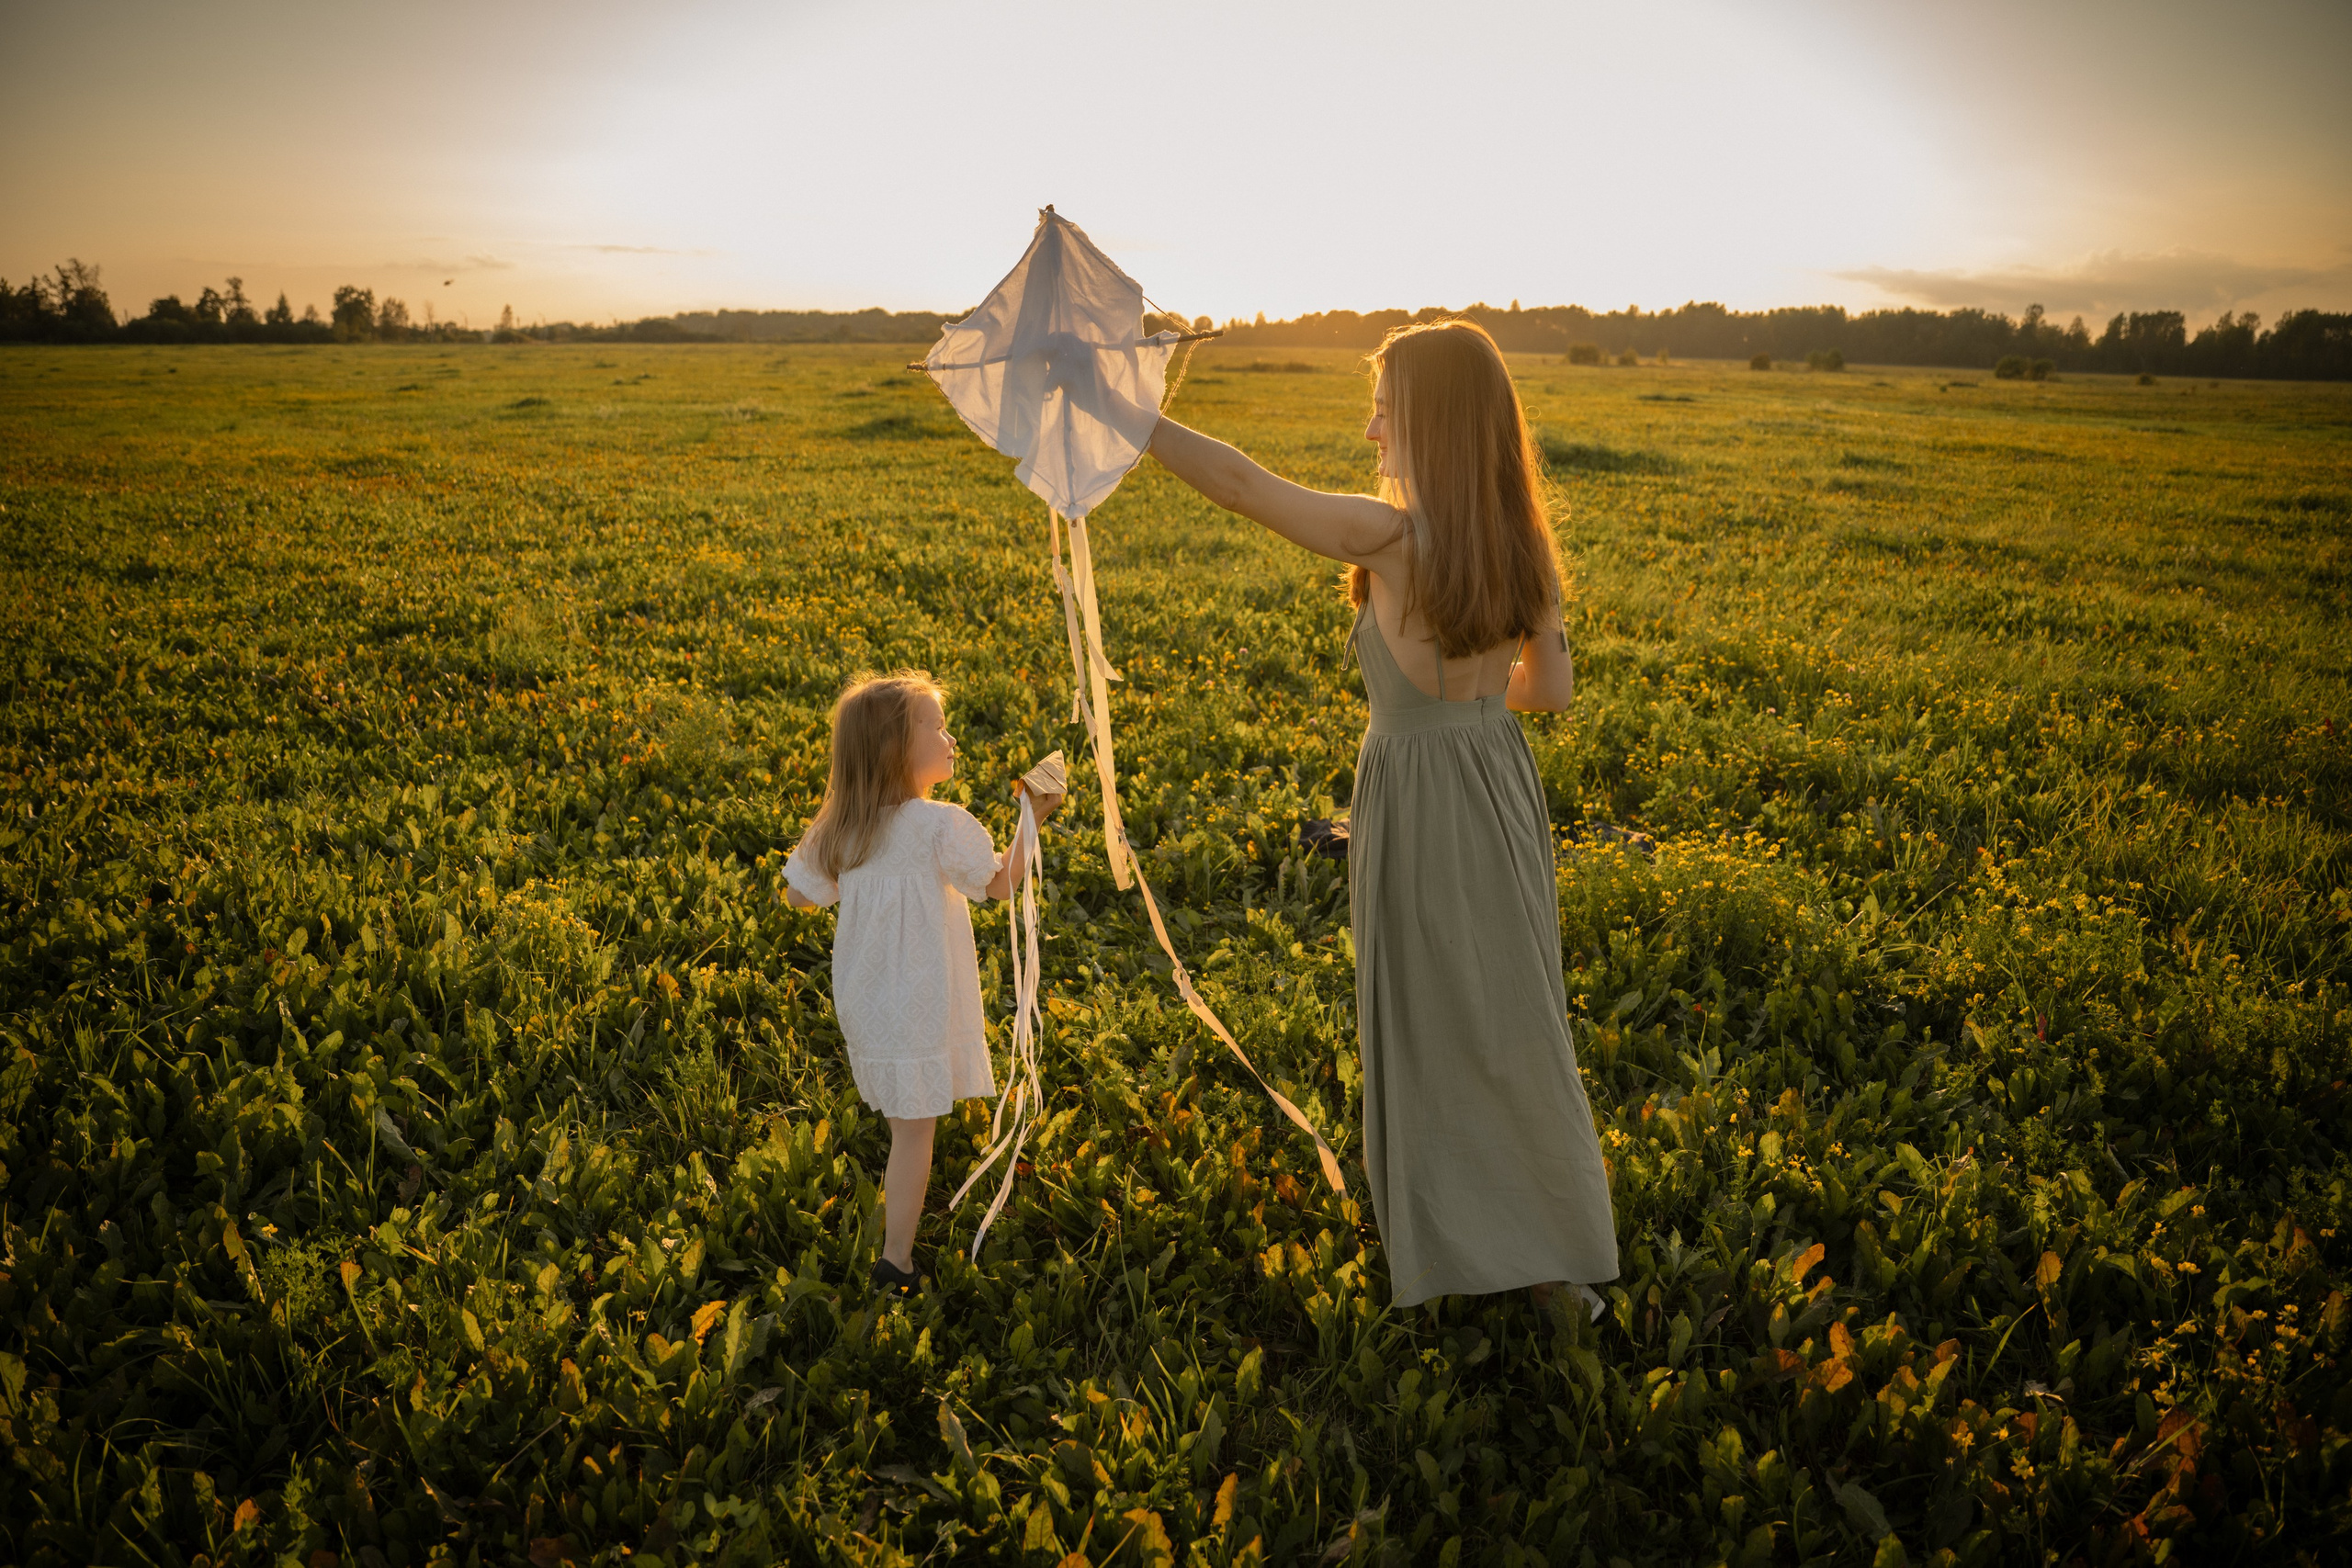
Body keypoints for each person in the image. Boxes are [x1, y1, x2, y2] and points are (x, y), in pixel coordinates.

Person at [1144, 319, 1618, 1317]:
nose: (1370, 431)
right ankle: (1548, 1257)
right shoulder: (1524, 545)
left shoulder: (1394, 540)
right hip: (1499, 784)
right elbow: (1552, 692)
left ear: (1432, 426)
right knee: (1511, 1014)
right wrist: (1468, 703)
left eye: (1385, 410)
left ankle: (1455, 1243)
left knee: (1426, 1013)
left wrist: (1121, 411)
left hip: (1418, 795)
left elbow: (1240, 485)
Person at [782, 671, 1063, 1295]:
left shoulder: (843, 826)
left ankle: (896, 1237)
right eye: (937, 726)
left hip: (867, 996)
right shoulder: (941, 824)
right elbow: (998, 884)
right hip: (920, 996)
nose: (950, 737)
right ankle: (896, 1261)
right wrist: (1032, 818)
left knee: (904, 1116)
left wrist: (855, 875)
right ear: (896, 748)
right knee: (915, 1129)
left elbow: (799, 895)